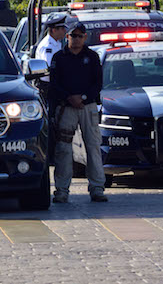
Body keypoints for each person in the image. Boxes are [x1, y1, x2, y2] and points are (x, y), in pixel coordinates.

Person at [49, 22, 107, 203]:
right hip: (66, 108)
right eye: (73, 36)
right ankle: (61, 190)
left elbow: (98, 83)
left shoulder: (92, 56)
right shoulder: (59, 57)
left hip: (87, 107)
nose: (76, 39)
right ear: (67, 37)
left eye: (80, 36)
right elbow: (54, 83)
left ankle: (97, 188)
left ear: (85, 38)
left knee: (93, 147)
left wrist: (82, 97)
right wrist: (69, 98)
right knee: (64, 149)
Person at [34, 13, 67, 102]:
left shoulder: (56, 43)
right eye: (62, 28)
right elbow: (50, 69)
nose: (65, 31)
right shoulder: (48, 47)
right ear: (53, 30)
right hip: (49, 87)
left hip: (55, 85)